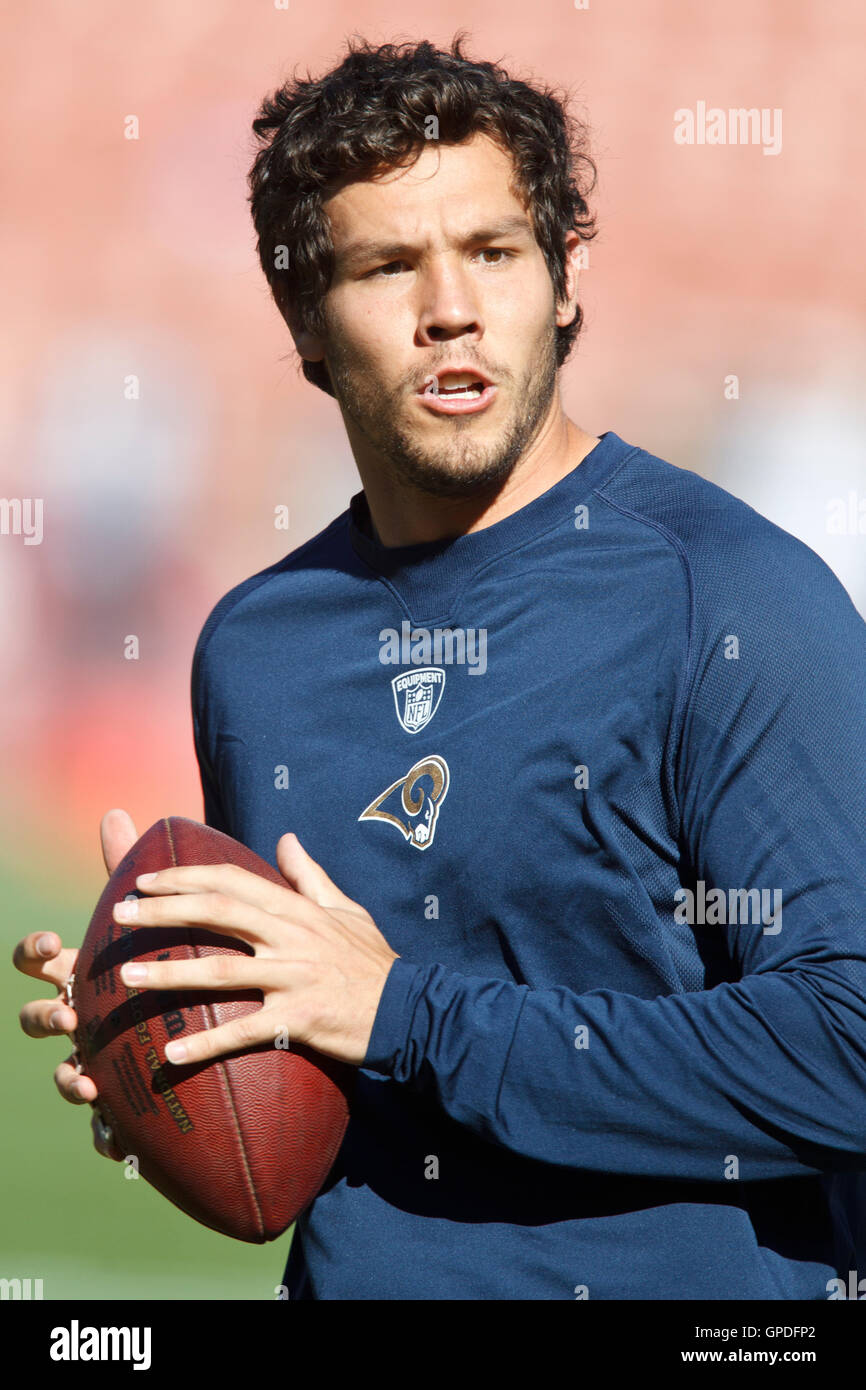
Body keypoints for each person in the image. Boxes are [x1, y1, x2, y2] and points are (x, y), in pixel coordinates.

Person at [14, 34, 866, 1300]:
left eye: (492, 252)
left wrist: (409, 1014)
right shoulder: (256, 649)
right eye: (386, 265)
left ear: (564, 281)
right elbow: (343, 1090)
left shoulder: (729, 598)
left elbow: (843, 1051)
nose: (449, 308)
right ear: (305, 317)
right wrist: (183, 1051)